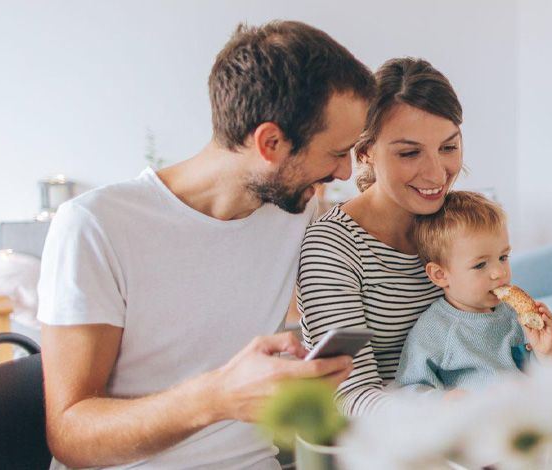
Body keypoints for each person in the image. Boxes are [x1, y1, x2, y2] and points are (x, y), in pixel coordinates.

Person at [37, 21, 373, 469]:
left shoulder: (294, 211)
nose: (345, 172)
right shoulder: (96, 226)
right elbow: (70, 435)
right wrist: (216, 396)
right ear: (270, 142)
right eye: (336, 152)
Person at [296, 57, 462, 416]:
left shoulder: (459, 223)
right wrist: (443, 412)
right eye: (409, 152)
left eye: (448, 148)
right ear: (365, 151)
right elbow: (351, 395)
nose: (437, 174)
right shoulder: (333, 247)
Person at [394, 191, 552, 395]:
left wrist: (545, 354)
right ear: (440, 274)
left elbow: (535, 376)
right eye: (480, 265)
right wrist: (441, 401)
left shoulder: (513, 315)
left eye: (503, 257)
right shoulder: (434, 330)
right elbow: (407, 390)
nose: (500, 272)